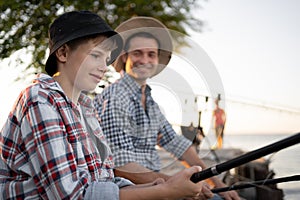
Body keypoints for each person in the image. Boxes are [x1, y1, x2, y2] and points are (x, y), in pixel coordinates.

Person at [0, 11, 214, 200]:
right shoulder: (39, 98)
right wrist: (165, 191)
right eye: (95, 55)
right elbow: (71, 195)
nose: (104, 67)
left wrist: (159, 185)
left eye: (106, 58)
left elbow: (104, 177)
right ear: (63, 53)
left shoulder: (86, 107)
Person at [93, 16, 240, 200]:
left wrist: (216, 182)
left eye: (151, 54)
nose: (145, 60)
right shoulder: (116, 97)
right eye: (137, 53)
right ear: (125, 57)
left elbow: (177, 144)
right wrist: (175, 185)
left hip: (156, 186)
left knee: (222, 195)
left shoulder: (149, 100)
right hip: (133, 192)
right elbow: (124, 167)